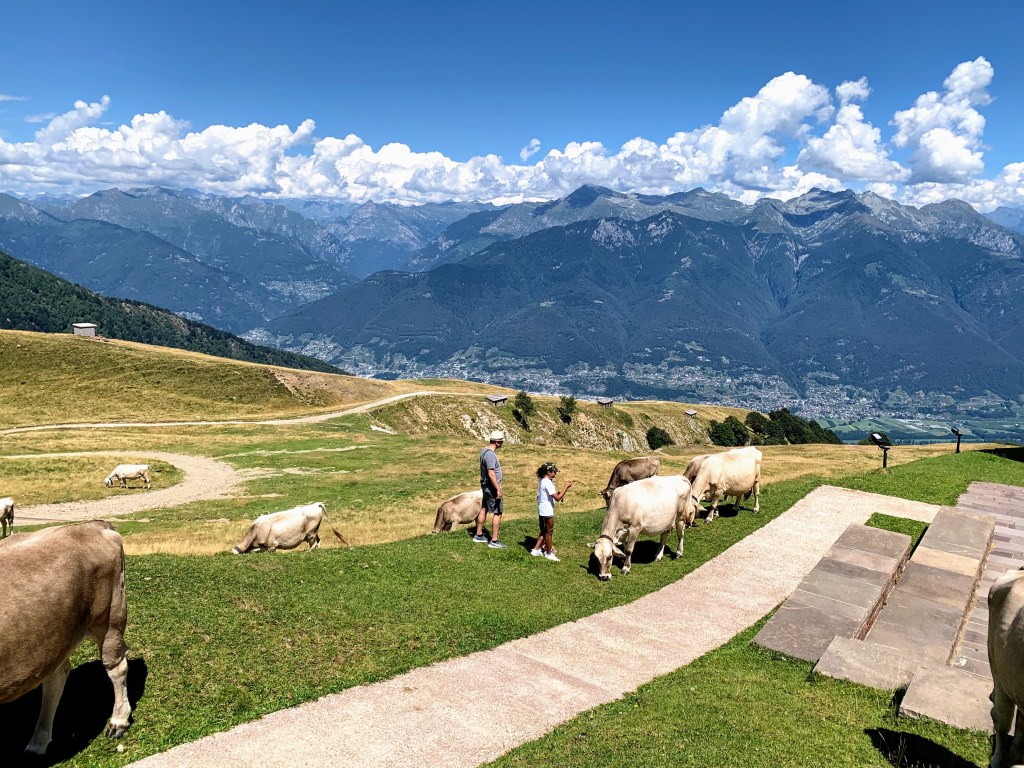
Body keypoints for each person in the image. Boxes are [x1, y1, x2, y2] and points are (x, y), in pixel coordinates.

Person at [531, 462, 573, 561]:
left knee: (545, 530)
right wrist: (566, 487)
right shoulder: (548, 483)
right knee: (549, 532)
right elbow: (558, 498)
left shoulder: (542, 481)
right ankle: (549, 553)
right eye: (554, 472)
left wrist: (558, 494)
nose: (555, 474)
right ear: (548, 472)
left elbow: (551, 495)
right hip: (547, 510)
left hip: (542, 509)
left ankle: (536, 550)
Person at [474, 430, 507, 548]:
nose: (502, 443)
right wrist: (498, 488)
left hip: (485, 486)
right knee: (498, 512)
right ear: (497, 442)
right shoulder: (490, 455)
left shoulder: (484, 451)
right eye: (501, 441)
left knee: (484, 508)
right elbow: (491, 473)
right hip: (491, 487)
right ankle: (494, 540)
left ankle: (478, 535)